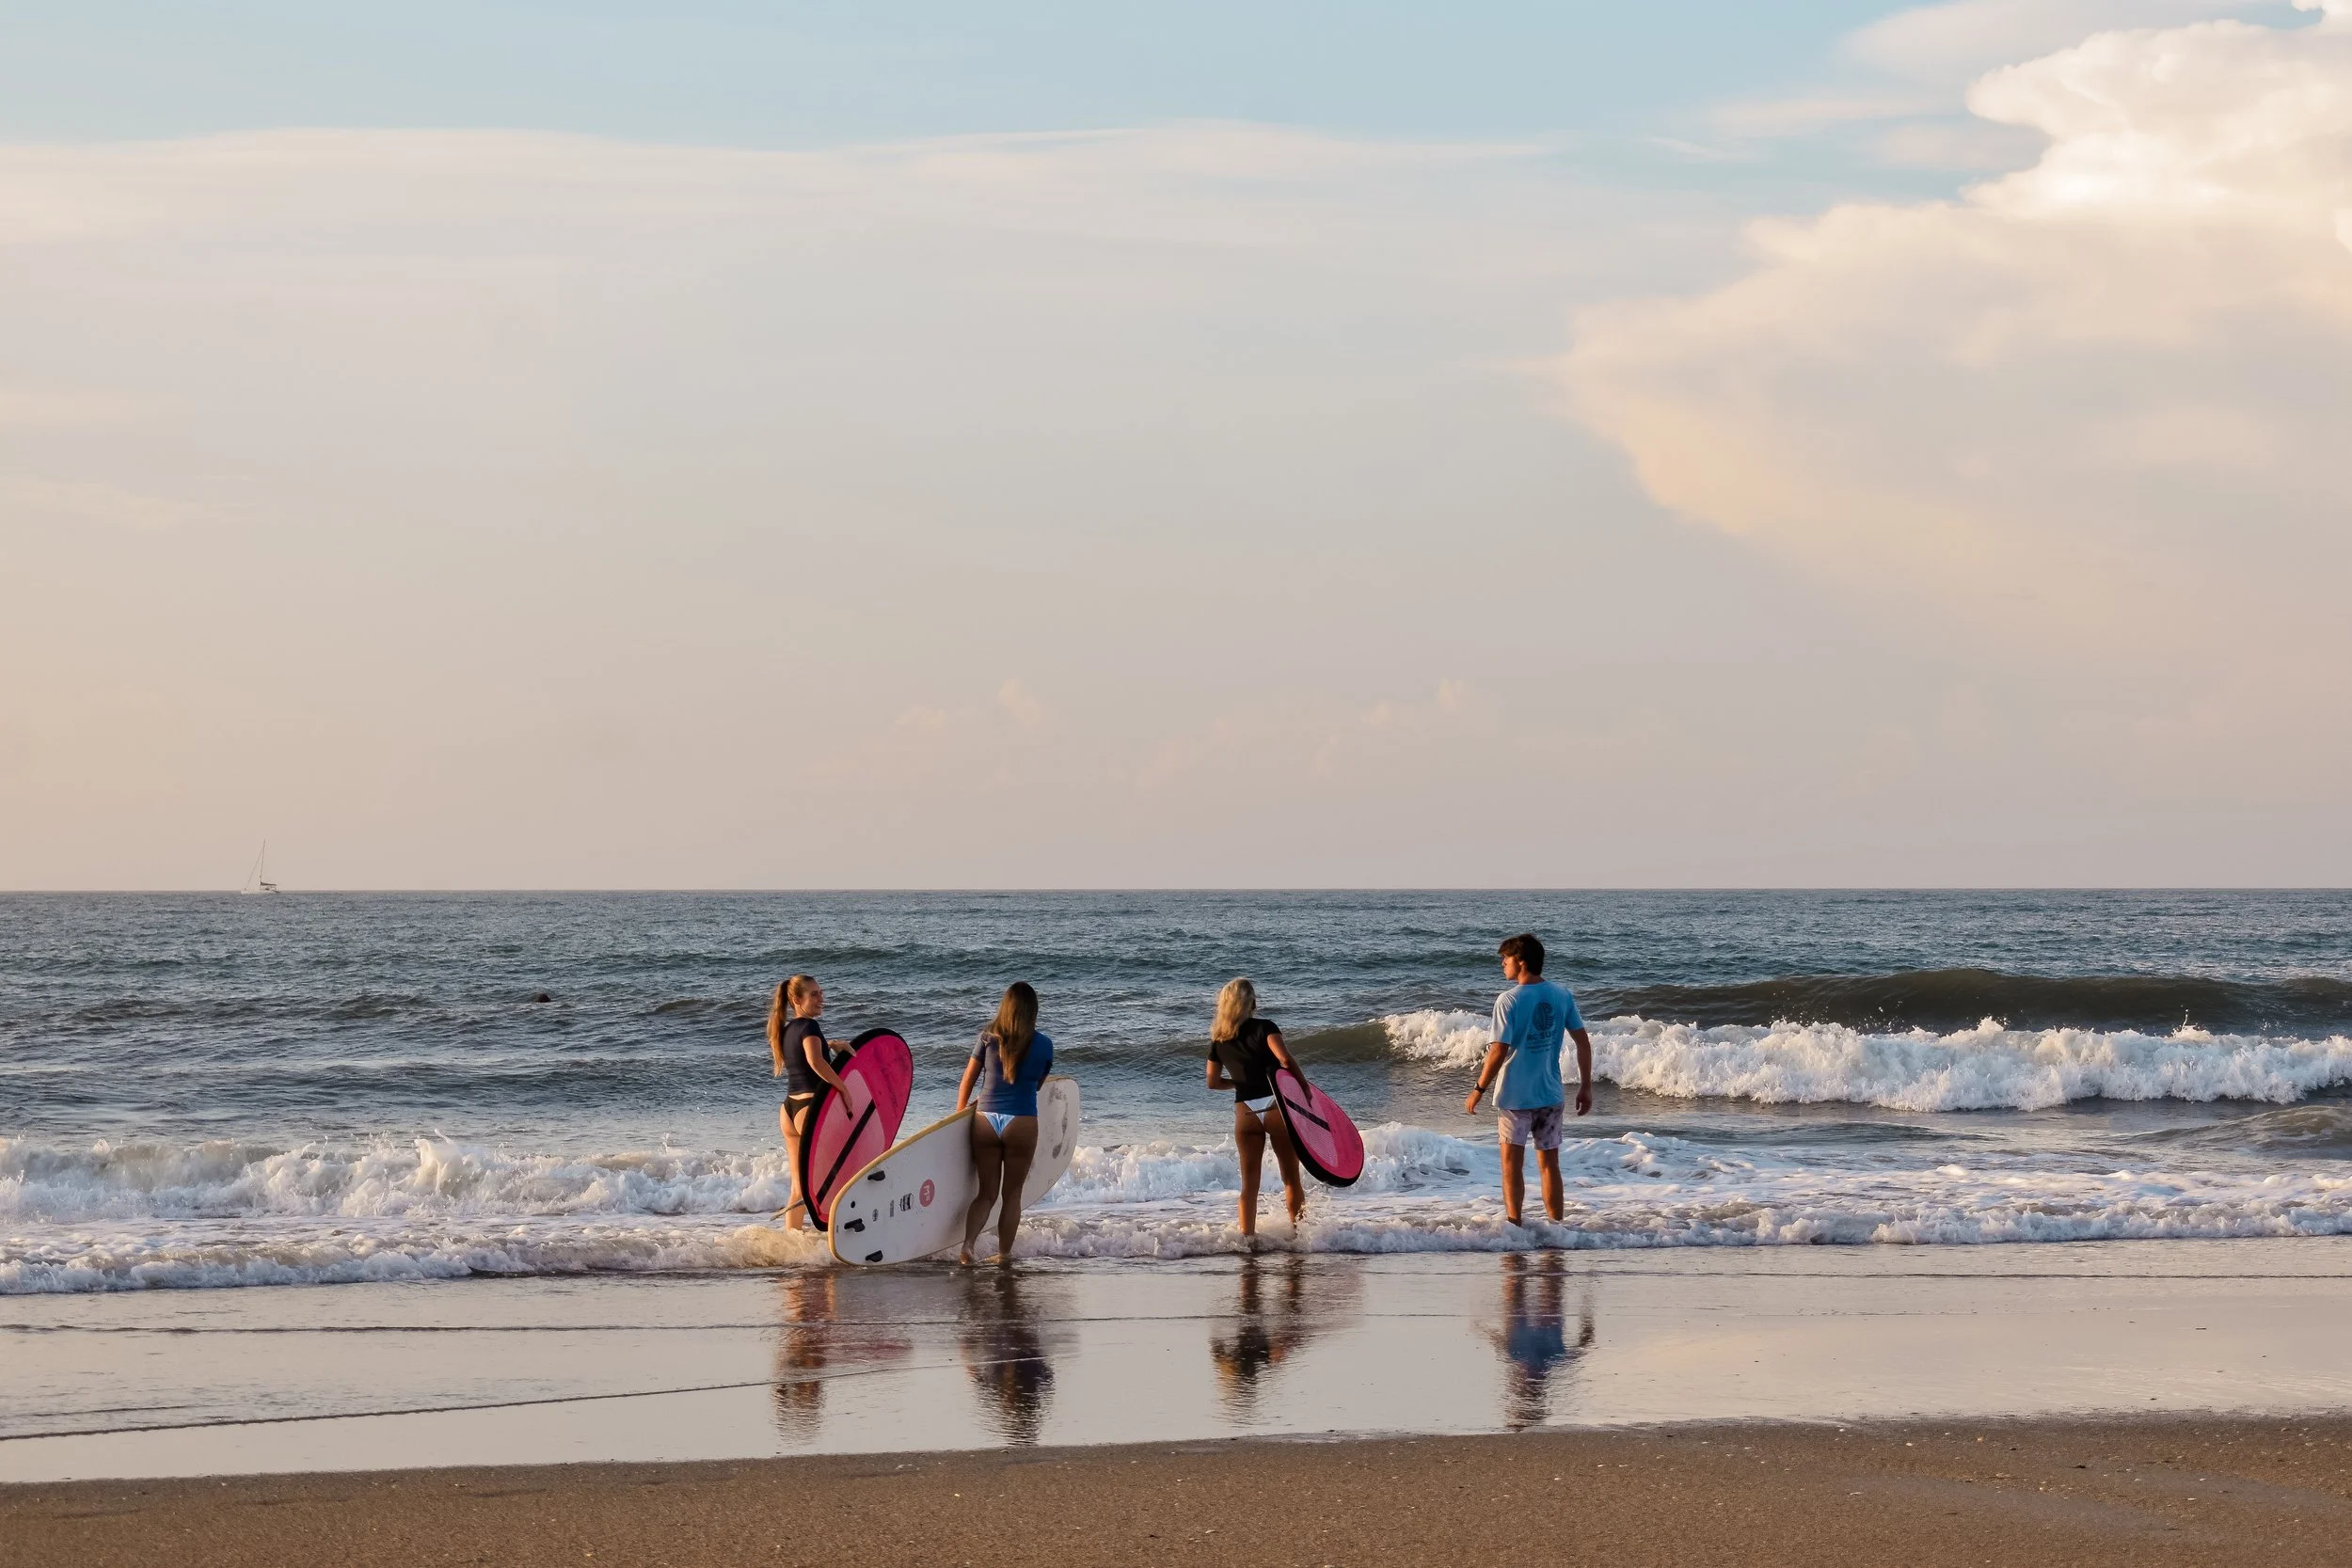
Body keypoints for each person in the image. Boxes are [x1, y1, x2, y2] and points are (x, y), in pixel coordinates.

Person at [1462, 933, 1593, 1226]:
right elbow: (1583, 1043)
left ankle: (1514, 1228)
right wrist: (1585, 1086)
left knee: (1511, 1165)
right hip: (1550, 1094)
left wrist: (1478, 1089)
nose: (1502, 965)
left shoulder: (1508, 1000)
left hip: (1515, 1097)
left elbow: (1498, 1050)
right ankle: (1557, 1229)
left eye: (1505, 960)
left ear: (1520, 961)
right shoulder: (1562, 995)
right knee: (1549, 1166)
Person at [956, 981, 1055, 1267]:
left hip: (985, 1120)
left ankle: (968, 1248)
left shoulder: (987, 1037)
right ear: (1032, 1011)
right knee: (1012, 1196)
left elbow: (968, 1080)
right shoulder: (1044, 1045)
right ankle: (1004, 1256)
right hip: (1021, 1122)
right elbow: (1036, 1087)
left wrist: (960, 1114)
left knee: (985, 1193)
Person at [1205, 977, 1310, 1240]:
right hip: (1275, 1106)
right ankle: (1300, 1236)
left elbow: (1213, 1082)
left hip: (1246, 1112)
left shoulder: (1219, 1039)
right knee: (1290, 1178)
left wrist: (1239, 1083)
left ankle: (1247, 1240)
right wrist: (1305, 1088)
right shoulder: (1266, 1027)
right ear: (1251, 1002)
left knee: (1249, 1186)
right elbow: (1284, 1059)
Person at [768, 974, 850, 1232]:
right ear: (796, 1000)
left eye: (821, 993)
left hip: (789, 1111)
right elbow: (815, 1062)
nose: (820, 998)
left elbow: (804, 1052)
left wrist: (832, 1044)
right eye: (814, 994)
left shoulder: (787, 1029)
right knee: (835, 1177)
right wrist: (844, 1088)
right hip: (810, 1110)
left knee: (799, 1185)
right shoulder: (811, 1027)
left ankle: (792, 1239)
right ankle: (842, 1233)